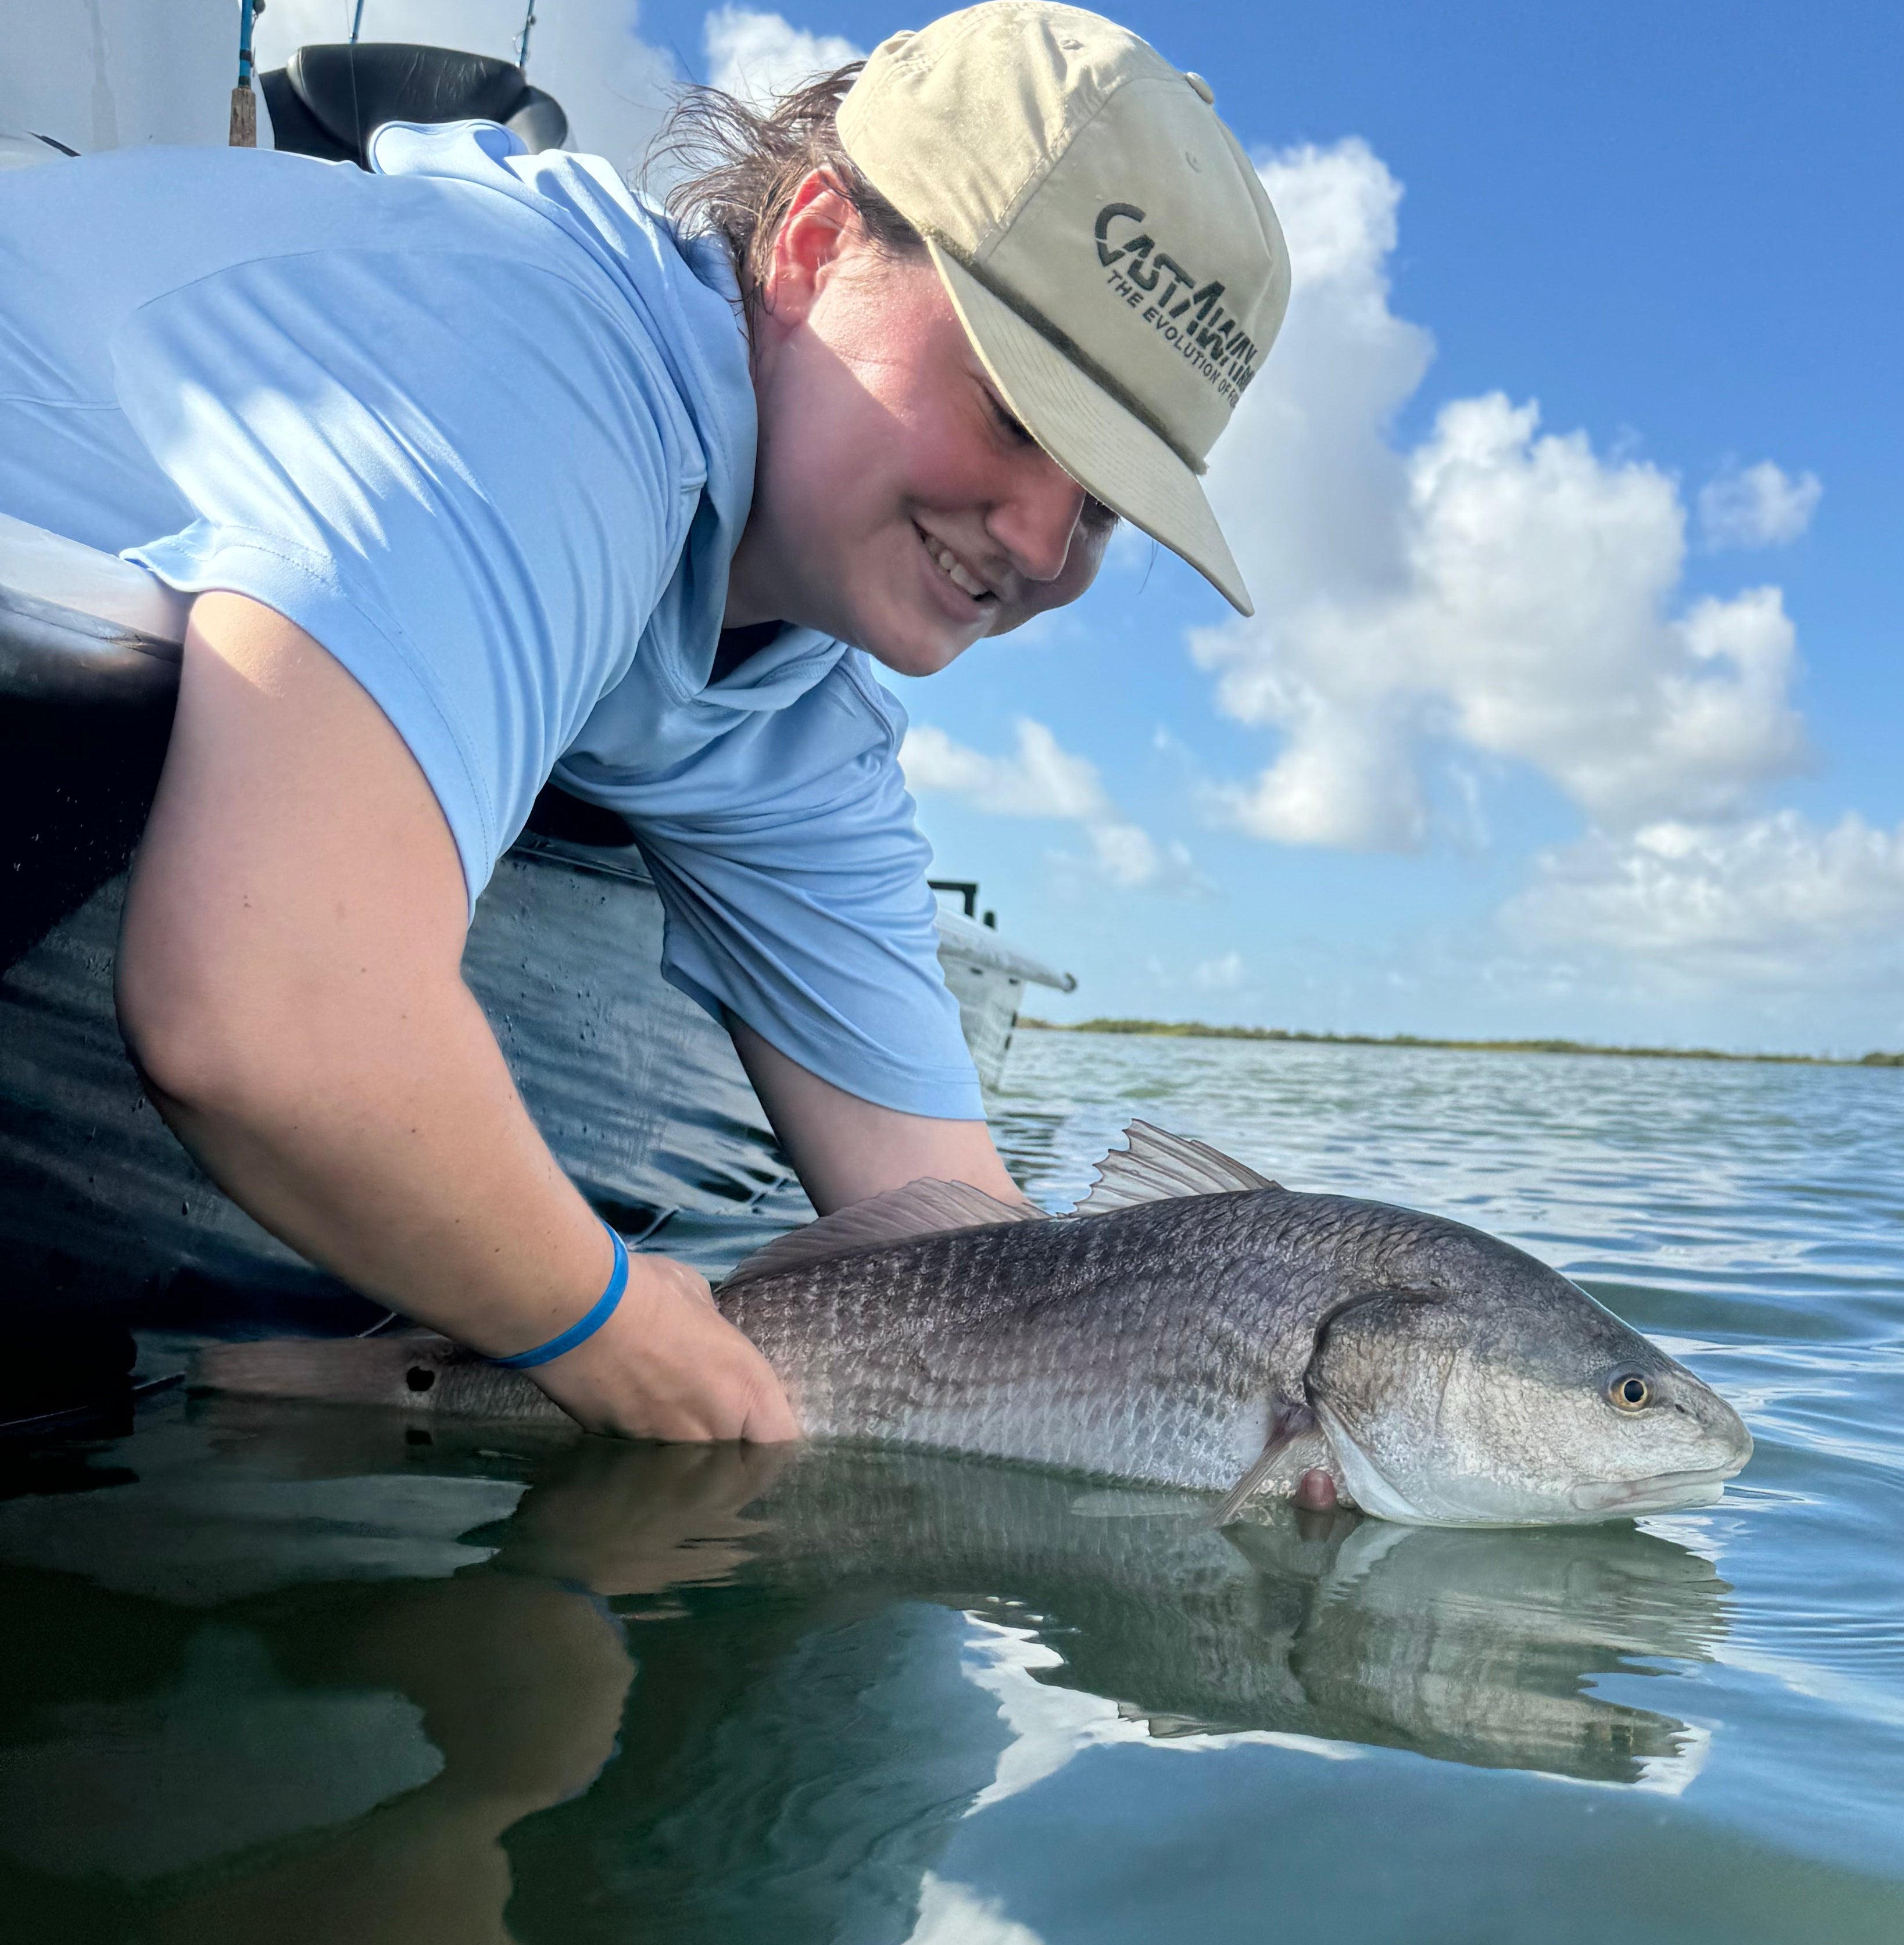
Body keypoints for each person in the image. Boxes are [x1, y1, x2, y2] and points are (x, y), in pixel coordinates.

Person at [0, 2, 1289, 1441]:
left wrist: (1233, 1407)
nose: (1047, 545)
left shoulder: (799, 708)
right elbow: (264, 1014)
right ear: (809, 243)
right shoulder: (530, 363)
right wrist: (602, 1323)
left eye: (1107, 503)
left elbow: (975, 1262)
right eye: (1009, 409)